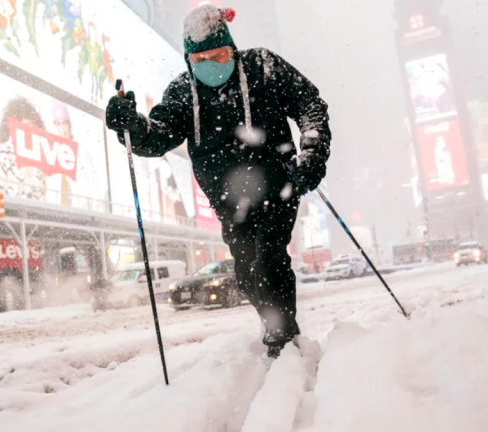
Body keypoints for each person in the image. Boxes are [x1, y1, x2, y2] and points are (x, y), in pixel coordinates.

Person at [106, 5, 331, 357]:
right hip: (228, 199)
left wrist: (313, 154)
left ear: (233, 48)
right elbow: (159, 135)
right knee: (246, 274)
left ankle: (282, 339)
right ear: (188, 60)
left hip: (278, 186)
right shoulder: (183, 92)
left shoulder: (262, 67)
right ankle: (276, 324)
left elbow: (309, 105)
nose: (211, 64)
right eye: (201, 59)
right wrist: (133, 126)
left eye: (220, 54)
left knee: (270, 260)